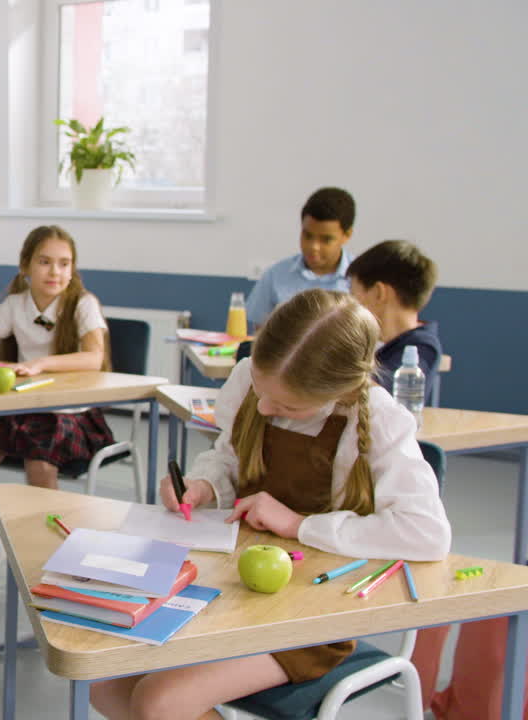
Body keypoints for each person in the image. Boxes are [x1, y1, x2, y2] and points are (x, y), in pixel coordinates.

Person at [90, 288, 451, 720]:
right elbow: (227, 455)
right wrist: (205, 484)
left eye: (285, 406)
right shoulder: (248, 377)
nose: (264, 407)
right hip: (233, 590)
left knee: (160, 702)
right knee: (105, 686)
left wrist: (299, 524)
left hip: (314, 613)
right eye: (262, 392)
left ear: (338, 391)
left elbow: (428, 534)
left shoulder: (377, 418)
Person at [0, 225, 112, 581]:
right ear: (26, 265)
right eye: (45, 262)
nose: (55, 272)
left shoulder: (83, 304)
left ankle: (53, 557)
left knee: (40, 468)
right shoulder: (15, 305)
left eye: (63, 263)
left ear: (72, 269)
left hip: (69, 414)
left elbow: (94, 359)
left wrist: (40, 364)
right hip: (20, 410)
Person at [347, 239, 442, 406]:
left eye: (354, 293)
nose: (351, 303)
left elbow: (373, 395)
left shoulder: (422, 349)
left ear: (378, 293)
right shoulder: (376, 342)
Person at [246, 187, 357, 329]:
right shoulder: (276, 276)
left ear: (347, 235)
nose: (313, 246)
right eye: (307, 235)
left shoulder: (361, 281)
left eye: (326, 239)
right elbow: (260, 334)